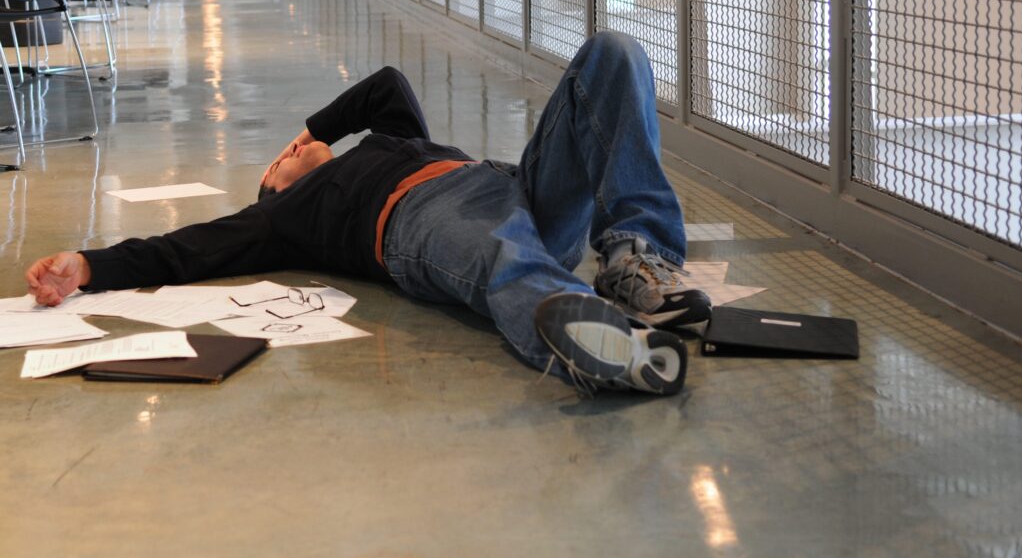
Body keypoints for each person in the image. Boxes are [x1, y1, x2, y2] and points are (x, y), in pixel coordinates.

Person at [25, 32, 711, 396]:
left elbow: (387, 84)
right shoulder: (290, 215)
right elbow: (187, 248)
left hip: (510, 182)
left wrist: (313, 125)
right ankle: (604, 346)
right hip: (422, 222)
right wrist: (87, 264)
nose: (291, 153)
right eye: (281, 159)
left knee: (613, 54)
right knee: (502, 255)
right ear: (274, 186)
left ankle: (634, 259)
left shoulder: (391, 137)